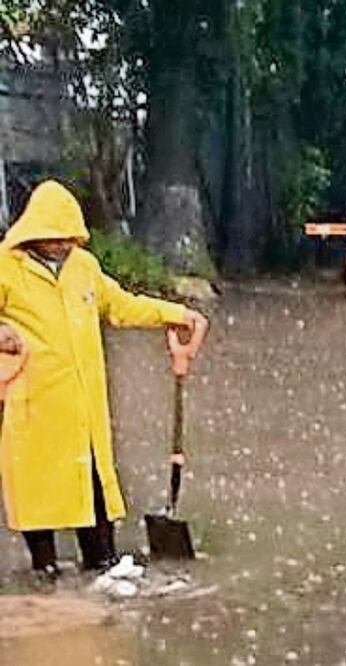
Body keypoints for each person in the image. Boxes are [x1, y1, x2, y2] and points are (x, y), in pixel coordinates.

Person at [0, 180, 208, 585]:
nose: (62, 245)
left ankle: (101, 568)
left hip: (84, 410)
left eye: (68, 238)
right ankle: (43, 578)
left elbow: (121, 306)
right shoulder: (6, 268)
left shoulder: (84, 268)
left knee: (94, 491)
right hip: (34, 407)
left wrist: (175, 314)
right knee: (37, 496)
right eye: (53, 238)